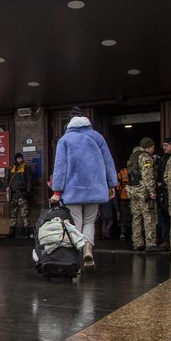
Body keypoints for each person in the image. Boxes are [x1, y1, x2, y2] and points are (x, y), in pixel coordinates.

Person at [49, 109, 117, 271]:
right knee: (89, 222)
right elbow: (108, 162)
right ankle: (88, 250)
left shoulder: (65, 140)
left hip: (73, 191)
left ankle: (75, 263)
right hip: (94, 190)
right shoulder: (97, 137)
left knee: (75, 225)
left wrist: (57, 191)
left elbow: (60, 167)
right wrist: (111, 184)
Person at [126, 137, 163, 252]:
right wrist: (152, 191)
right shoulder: (145, 157)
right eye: (153, 147)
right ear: (149, 147)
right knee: (149, 217)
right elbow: (148, 176)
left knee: (136, 217)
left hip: (132, 191)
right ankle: (150, 243)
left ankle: (137, 242)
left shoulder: (132, 156)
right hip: (143, 191)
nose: (153, 150)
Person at [7, 152, 34, 237]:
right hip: (13, 195)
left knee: (24, 214)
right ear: (16, 159)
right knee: (13, 214)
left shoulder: (26, 168)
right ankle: (12, 232)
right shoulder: (11, 169)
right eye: (19, 158)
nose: (20, 160)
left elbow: (30, 180)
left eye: (21, 158)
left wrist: (28, 192)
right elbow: (7, 180)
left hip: (22, 195)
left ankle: (27, 233)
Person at [156, 137, 171, 250]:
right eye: (163, 145)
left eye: (166, 145)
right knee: (164, 217)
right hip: (163, 191)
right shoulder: (163, 158)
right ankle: (166, 240)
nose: (164, 148)